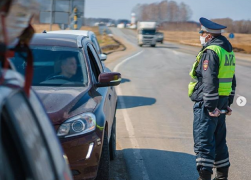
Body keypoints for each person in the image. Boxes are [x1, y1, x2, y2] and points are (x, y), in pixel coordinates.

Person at [188, 17, 236, 180]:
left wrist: (209, 106)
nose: (200, 36)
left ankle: (204, 177)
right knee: (219, 140)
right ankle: (222, 176)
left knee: (204, 141)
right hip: (221, 101)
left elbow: (209, 79)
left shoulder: (211, 51)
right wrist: (227, 102)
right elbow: (231, 79)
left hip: (208, 103)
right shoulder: (227, 49)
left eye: (201, 33)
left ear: (208, 35)